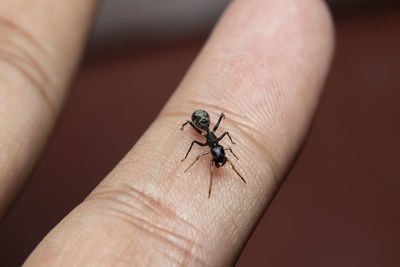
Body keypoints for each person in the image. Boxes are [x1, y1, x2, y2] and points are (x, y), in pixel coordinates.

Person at [0, 0, 334, 265]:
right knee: (197, 139)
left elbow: (220, 145)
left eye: (216, 155)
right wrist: (199, 154)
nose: (216, 155)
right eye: (217, 155)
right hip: (197, 117)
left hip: (203, 121)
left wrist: (222, 157)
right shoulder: (205, 138)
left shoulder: (218, 141)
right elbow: (207, 142)